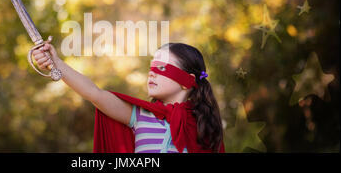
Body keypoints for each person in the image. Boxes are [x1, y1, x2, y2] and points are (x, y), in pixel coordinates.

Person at [32, 42, 225, 153]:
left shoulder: (204, 125)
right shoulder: (140, 116)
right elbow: (94, 93)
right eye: (151, 68)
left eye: (162, 68)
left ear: (186, 81)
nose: (152, 73)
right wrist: (56, 63)